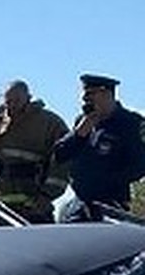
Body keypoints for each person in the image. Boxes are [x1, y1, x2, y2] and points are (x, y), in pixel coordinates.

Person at [0, 80, 69, 224]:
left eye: (17, 101)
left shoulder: (49, 123)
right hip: (1, 207)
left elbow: (63, 162)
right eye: (9, 101)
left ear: (28, 98)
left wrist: (46, 196)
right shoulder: (1, 122)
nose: (12, 106)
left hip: (33, 207)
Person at [53, 73, 145, 218]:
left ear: (106, 94)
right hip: (80, 203)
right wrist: (79, 134)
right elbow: (60, 154)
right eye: (84, 95)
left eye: (90, 94)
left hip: (112, 204)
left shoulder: (131, 123)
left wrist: (105, 182)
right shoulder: (82, 122)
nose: (85, 100)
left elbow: (139, 166)